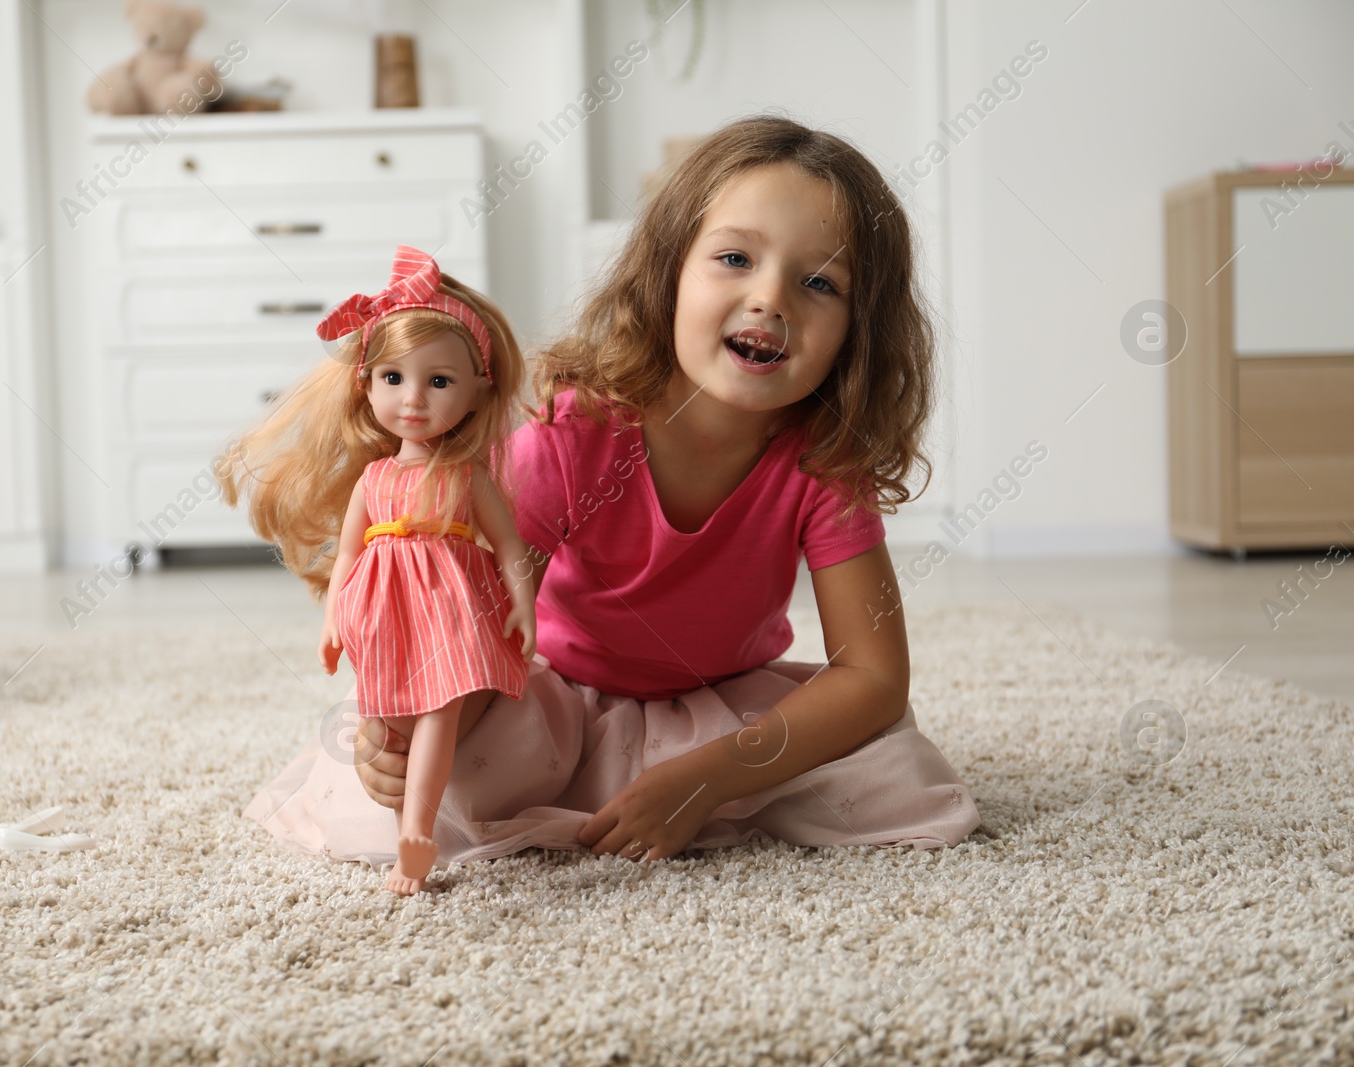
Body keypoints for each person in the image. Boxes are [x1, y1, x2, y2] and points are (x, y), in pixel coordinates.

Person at [244, 114, 980, 876]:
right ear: (668, 271)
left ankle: (675, 789)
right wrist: (405, 735)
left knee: (903, 776)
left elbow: (873, 676)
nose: (770, 299)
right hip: (553, 698)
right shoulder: (575, 431)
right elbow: (467, 618)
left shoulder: (827, 460)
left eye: (819, 282)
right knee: (443, 767)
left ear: (858, 331)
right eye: (734, 258)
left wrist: (705, 778)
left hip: (722, 709)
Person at [217, 246, 536, 894]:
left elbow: (508, 547)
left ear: (478, 393)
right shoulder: (374, 478)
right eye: (394, 378)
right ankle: (400, 829)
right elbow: (351, 554)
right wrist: (334, 616)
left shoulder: (466, 476)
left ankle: (416, 836)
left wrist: (522, 603)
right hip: (384, 607)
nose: (413, 399)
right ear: (366, 386)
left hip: (451, 605)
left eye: (439, 381)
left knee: (442, 709)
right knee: (387, 713)